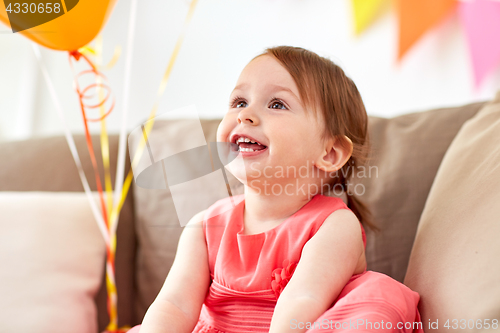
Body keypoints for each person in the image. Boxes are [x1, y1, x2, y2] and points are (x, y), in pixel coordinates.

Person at [128, 46, 423, 333]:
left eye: (277, 104)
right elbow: (174, 305)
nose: (245, 115)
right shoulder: (204, 227)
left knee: (378, 297)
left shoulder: (333, 225)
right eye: (239, 102)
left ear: (330, 153)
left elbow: (302, 302)